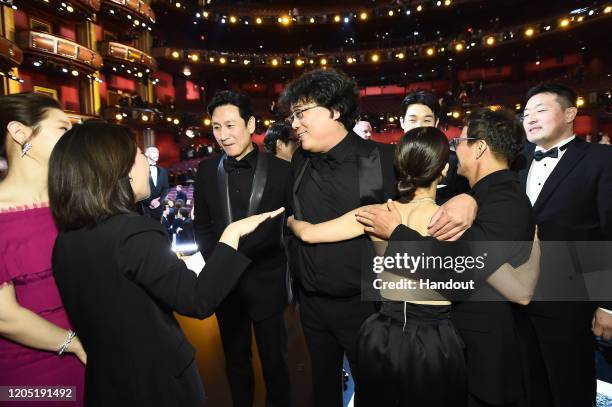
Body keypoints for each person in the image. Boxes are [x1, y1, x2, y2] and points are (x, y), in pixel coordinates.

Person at [287, 126, 541, 406]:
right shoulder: (452, 225)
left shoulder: (377, 214)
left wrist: (290, 223)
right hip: (433, 343)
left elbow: (309, 233)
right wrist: (534, 237)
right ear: (444, 171)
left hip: (379, 335)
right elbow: (520, 291)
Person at [48, 121, 285, 406]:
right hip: (158, 385)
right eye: (138, 154)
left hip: (107, 384)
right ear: (118, 169)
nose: (147, 162)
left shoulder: (65, 242)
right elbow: (197, 299)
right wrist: (231, 235)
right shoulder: (134, 233)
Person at [279, 68, 475, 406]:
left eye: (301, 113)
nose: (294, 123)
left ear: (334, 110)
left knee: (375, 394)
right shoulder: (298, 161)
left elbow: (432, 195)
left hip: (367, 307)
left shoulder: (383, 159)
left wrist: (467, 200)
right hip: (310, 305)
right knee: (321, 390)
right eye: (292, 115)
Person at [357, 108, 547, 407]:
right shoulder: (479, 194)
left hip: (482, 357)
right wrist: (467, 198)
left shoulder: (505, 201)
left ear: (480, 146)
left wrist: (397, 233)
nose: (455, 147)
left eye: (460, 140)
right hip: (454, 348)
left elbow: (462, 269)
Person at [194, 91, 292, 407]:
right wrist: (220, 266)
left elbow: (291, 226)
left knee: (276, 365)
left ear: (250, 124)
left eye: (231, 125)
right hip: (227, 289)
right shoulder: (206, 171)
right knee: (236, 365)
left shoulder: (280, 170)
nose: (224, 135)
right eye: (217, 127)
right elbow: (203, 226)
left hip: (268, 282)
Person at [518, 83, 612, 407]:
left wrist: (607, 304)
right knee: (531, 388)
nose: (530, 119)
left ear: (570, 113)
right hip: (517, 299)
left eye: (540, 110)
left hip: (571, 303)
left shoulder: (601, 159)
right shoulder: (517, 161)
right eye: (526, 113)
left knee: (570, 389)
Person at [0, 92, 85, 405]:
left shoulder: (74, 200)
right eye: (63, 129)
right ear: (20, 133)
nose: (71, 138)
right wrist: (74, 344)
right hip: (31, 377)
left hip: (98, 353)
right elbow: (4, 316)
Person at [399, 90, 470, 205]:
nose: (419, 126)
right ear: (402, 122)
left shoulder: (453, 161)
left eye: (427, 120)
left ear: (436, 123)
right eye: (412, 120)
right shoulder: (388, 159)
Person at [141, 146, 169, 221]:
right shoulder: (139, 170)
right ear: (146, 153)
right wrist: (149, 201)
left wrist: (159, 202)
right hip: (144, 208)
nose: (157, 154)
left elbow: (166, 188)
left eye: (157, 152)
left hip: (159, 209)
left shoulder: (163, 170)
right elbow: (137, 189)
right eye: (154, 152)